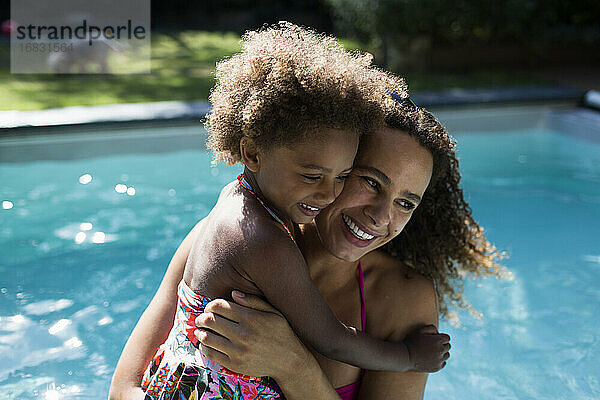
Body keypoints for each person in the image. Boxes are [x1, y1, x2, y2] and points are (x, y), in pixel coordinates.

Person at [109, 26, 503, 400]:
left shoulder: (401, 299)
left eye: (405, 203)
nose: (381, 216)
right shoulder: (231, 234)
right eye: (368, 181)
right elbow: (124, 389)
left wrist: (292, 365)